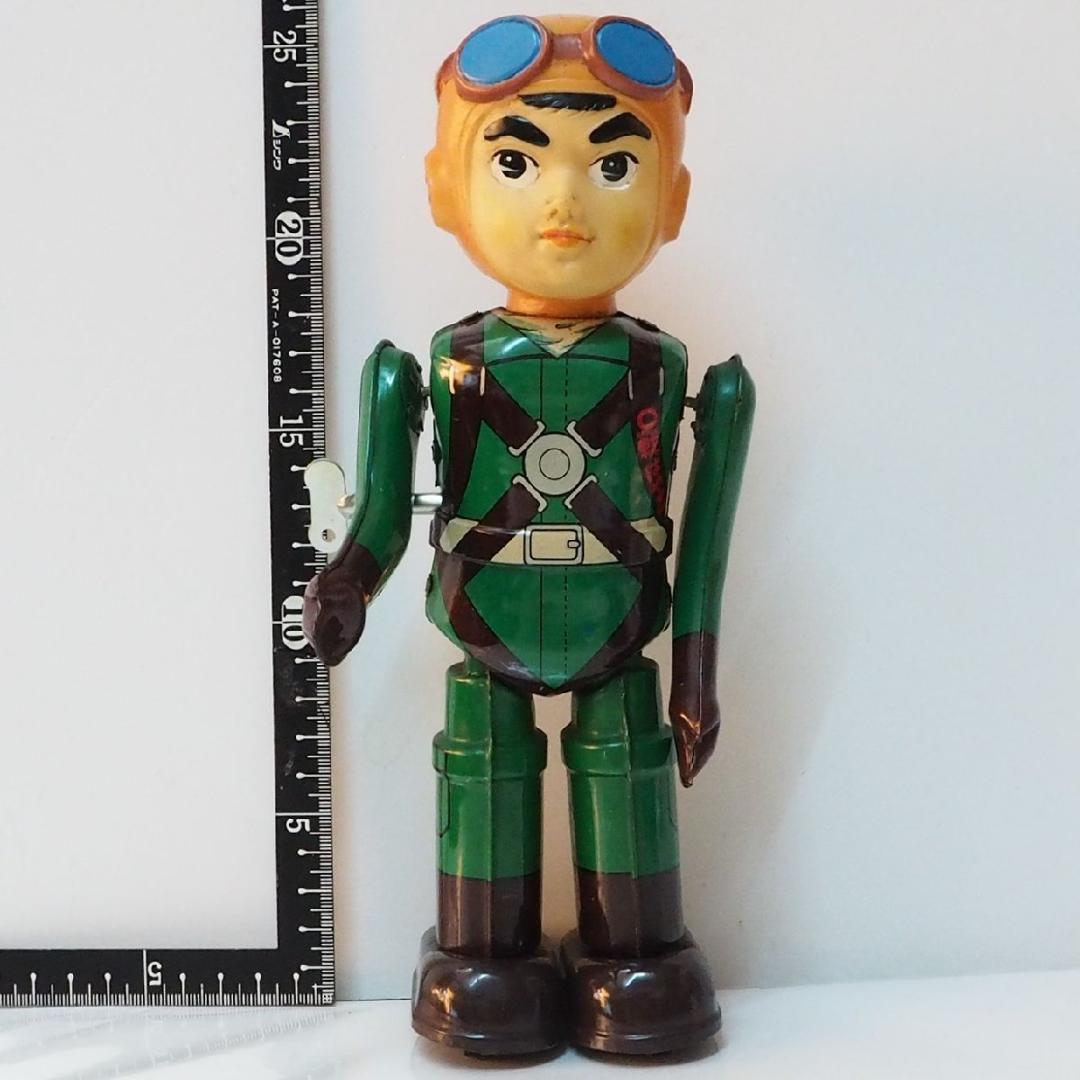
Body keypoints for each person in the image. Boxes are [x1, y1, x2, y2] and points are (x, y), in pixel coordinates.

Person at [303, 14, 754, 1056]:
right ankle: (483, 960)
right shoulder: (437, 365)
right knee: (483, 774)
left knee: (625, 772)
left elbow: (704, 540)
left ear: (672, 200)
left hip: (619, 628)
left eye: (614, 164)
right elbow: (383, 512)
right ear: (445, 190)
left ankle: (634, 955)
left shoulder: (664, 368)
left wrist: (695, 671)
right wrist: (348, 582)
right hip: (484, 620)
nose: (563, 201)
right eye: (514, 161)